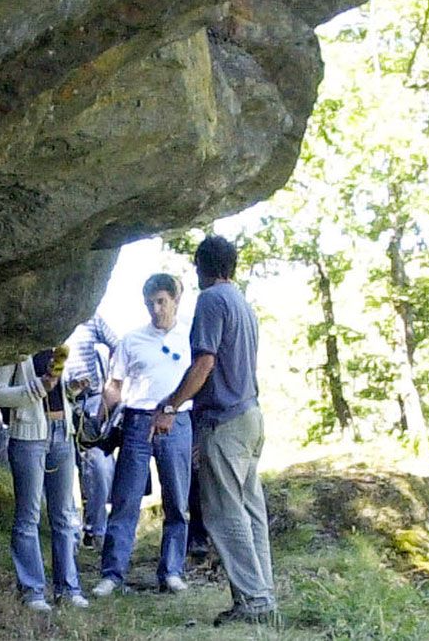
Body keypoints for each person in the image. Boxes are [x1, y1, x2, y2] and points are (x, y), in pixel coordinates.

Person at [153, 236, 276, 626]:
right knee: (251, 511)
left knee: (225, 514)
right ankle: (262, 596)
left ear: (201, 267)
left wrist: (171, 405)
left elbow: (204, 363)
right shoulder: (243, 303)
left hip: (225, 420)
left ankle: (253, 602)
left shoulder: (211, 300)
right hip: (251, 415)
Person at [91, 274, 193, 597]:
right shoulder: (131, 340)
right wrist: (99, 416)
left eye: (162, 301)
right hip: (137, 421)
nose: (156, 308)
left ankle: (172, 570)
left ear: (175, 300)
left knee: (177, 500)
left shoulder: (189, 336)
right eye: (150, 302)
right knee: (125, 499)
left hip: (177, 420)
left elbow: (201, 375)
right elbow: (115, 384)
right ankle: (112, 573)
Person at [0, 349, 88, 612]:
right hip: (27, 436)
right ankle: (33, 591)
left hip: (62, 433)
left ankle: (68, 588)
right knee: (28, 516)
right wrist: (37, 387)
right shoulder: (17, 348)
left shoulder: (58, 345)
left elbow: (57, 393)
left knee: (65, 514)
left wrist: (71, 389)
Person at [63, 315, 120, 551]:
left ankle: (98, 530)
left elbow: (119, 346)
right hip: (60, 404)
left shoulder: (92, 319)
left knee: (99, 466)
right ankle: (71, 534)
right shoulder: (50, 321)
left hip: (93, 403)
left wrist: (111, 384)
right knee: (66, 472)